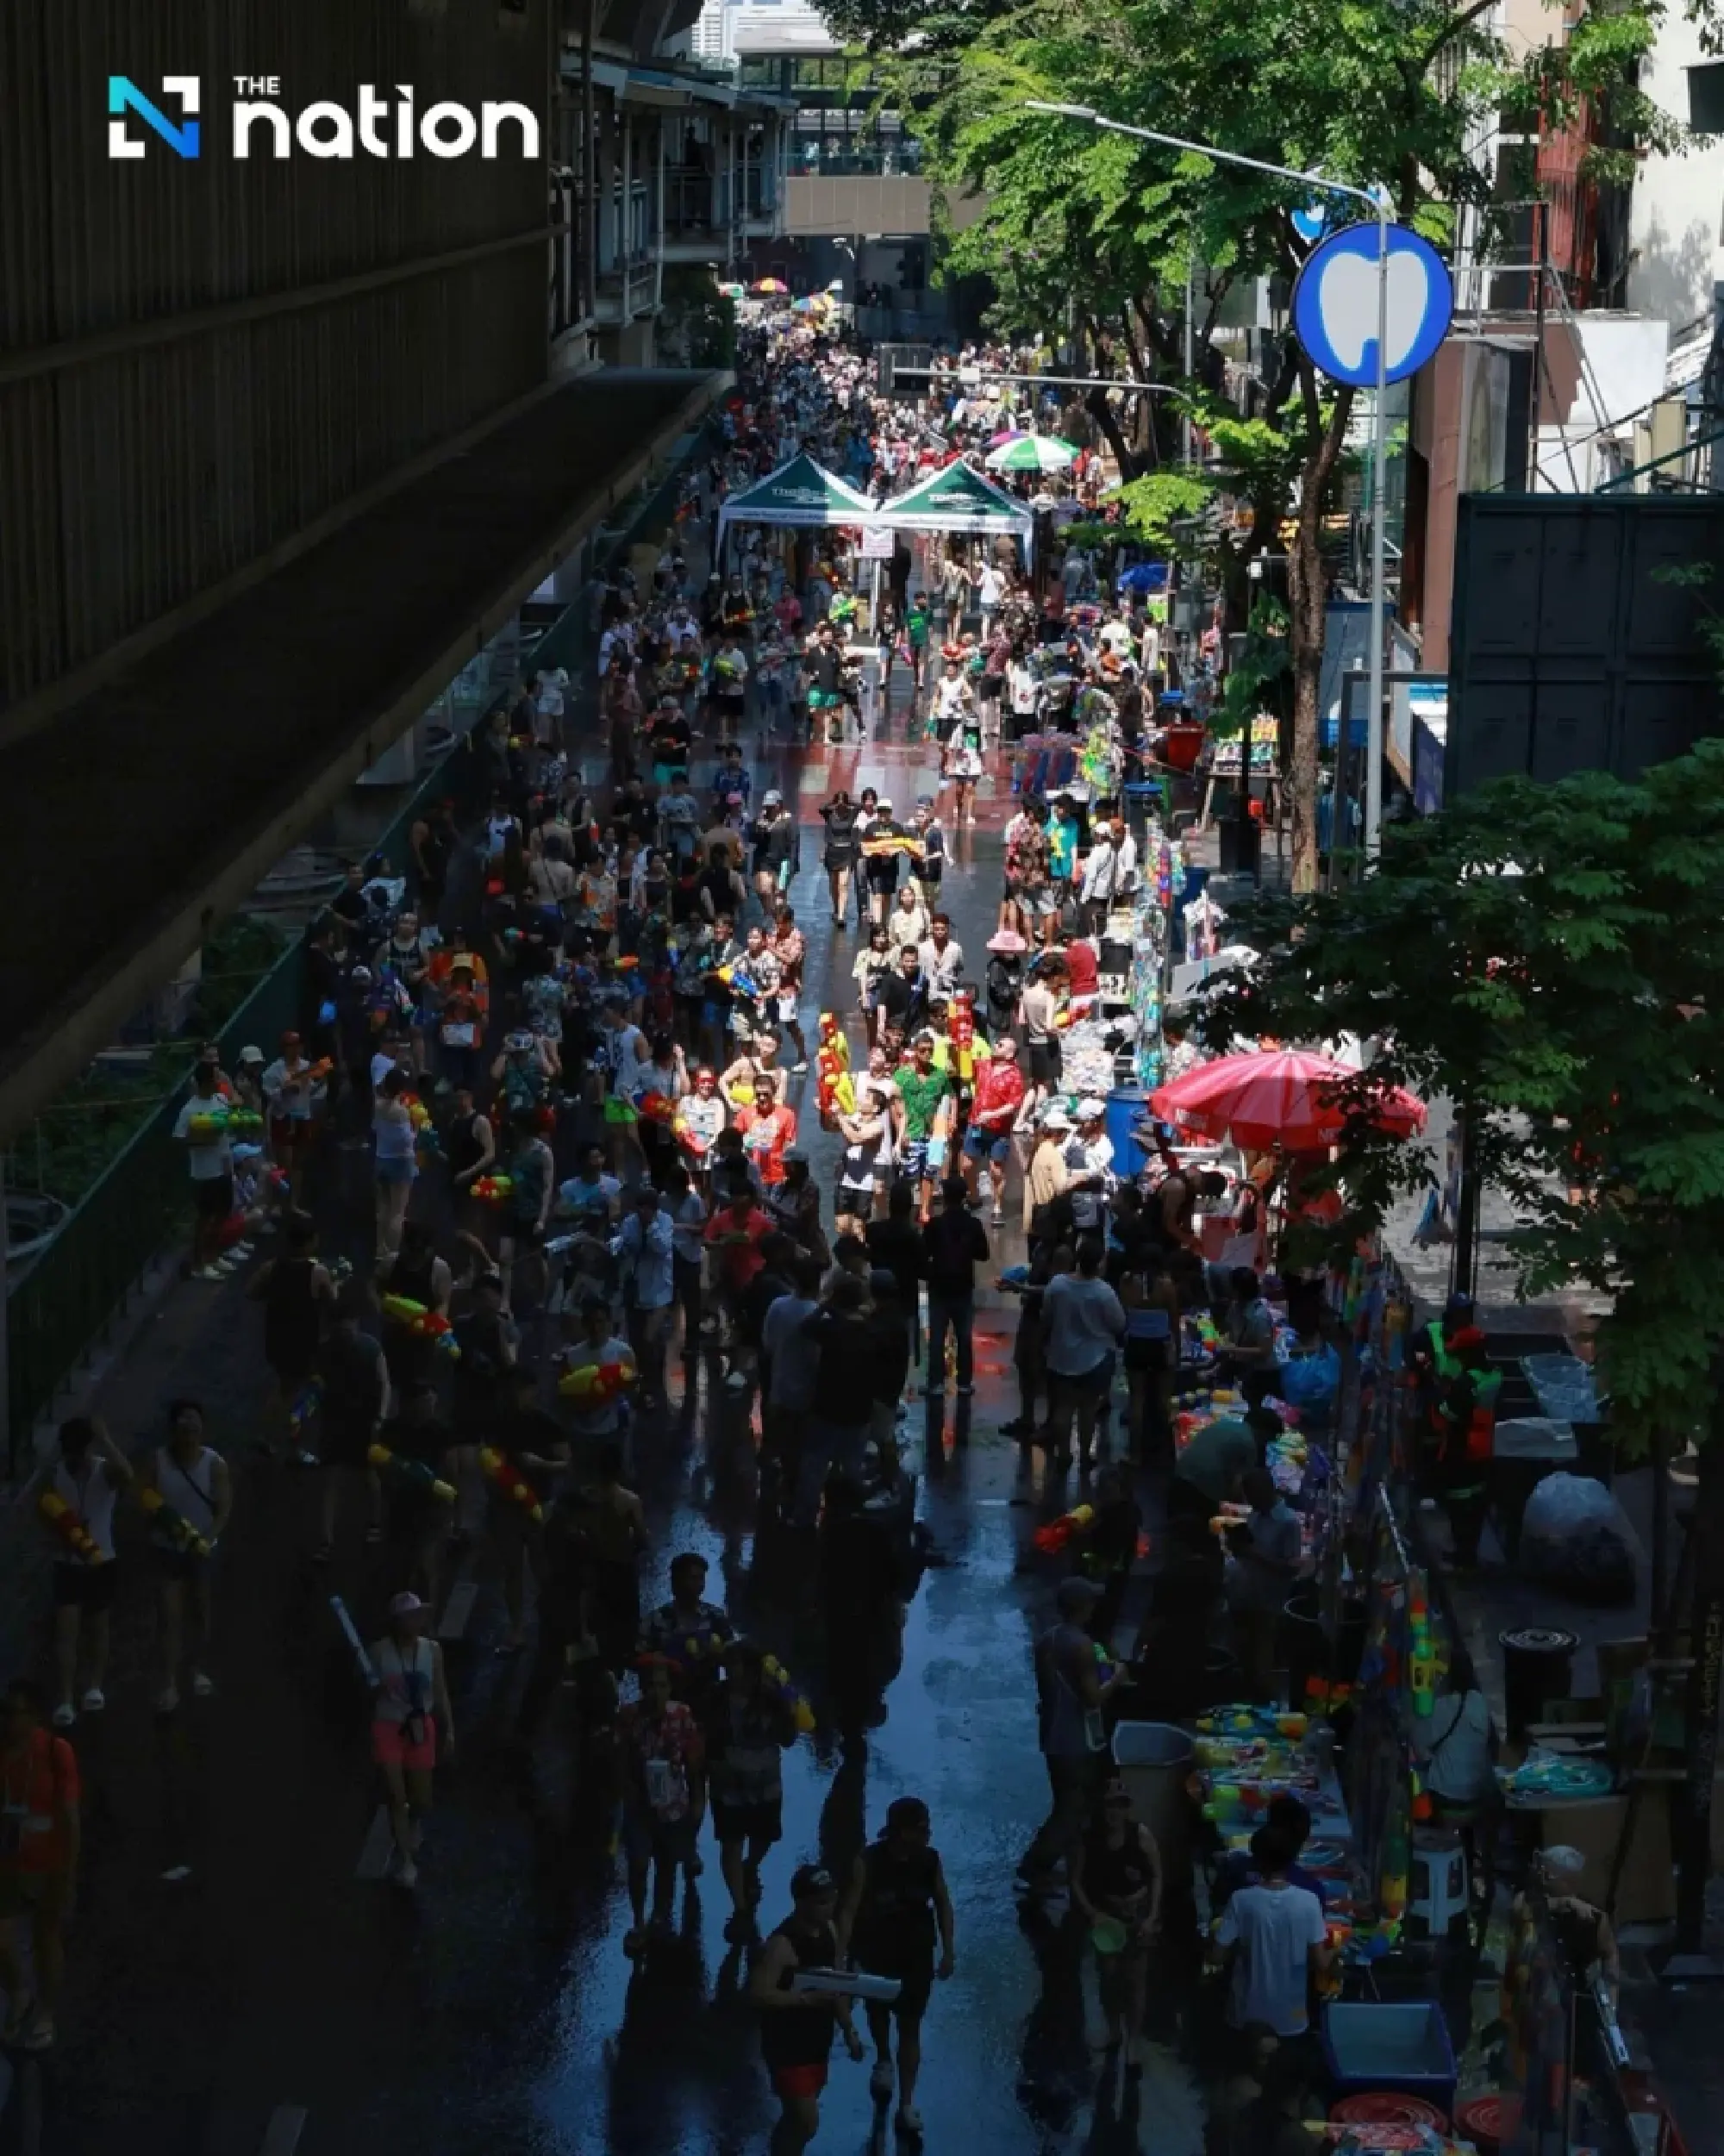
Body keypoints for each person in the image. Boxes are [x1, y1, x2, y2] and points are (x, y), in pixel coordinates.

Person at [835, 1797, 955, 2139]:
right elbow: (848, 1910)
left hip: (917, 1954)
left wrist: (948, 1951)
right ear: (901, 1831)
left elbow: (944, 1903)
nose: (928, 1832)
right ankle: (883, 2057)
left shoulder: (929, 1861)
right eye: (921, 1828)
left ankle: (906, 2102)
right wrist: (841, 1956)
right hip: (877, 1950)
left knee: (911, 2025)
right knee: (878, 2012)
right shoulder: (869, 1862)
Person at [751, 1865, 866, 2156]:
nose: (829, 1908)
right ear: (801, 1902)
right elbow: (759, 1992)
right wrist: (804, 2000)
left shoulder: (829, 1930)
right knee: (806, 2120)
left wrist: (849, 2029)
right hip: (787, 2045)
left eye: (832, 1900)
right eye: (822, 1902)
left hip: (818, 2040)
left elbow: (835, 1982)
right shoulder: (782, 1945)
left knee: (798, 2120)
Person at [1019, 1576, 1121, 1891]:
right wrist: (1117, 1676)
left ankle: (1074, 1862)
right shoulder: (1083, 1646)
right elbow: (1093, 1698)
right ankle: (1036, 1867)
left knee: (1067, 1800)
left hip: (1052, 1733)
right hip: (1076, 1739)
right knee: (1072, 1807)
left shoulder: (1048, 1639)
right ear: (1084, 1608)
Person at [29, 1415, 133, 1727]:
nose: (77, 1458)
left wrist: (105, 1439)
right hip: (68, 1564)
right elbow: (44, 1514)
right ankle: (65, 1698)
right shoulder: (57, 1474)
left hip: (102, 1560)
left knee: (97, 1628)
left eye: (82, 1450)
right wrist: (55, 1541)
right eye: (72, 1451)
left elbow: (127, 1475)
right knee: (67, 1630)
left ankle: (94, 1686)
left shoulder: (105, 1471)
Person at [0, 1678, 79, 2050]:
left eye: (14, 1713)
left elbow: (69, 1816)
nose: (7, 1721)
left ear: (32, 1716)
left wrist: (68, 1871)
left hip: (47, 1864)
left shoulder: (53, 1751)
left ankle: (45, 2011)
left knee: (46, 1940)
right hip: (7, 1862)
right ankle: (19, 1993)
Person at [704, 1640, 799, 1940]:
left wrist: (788, 1707)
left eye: (735, 1666)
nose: (729, 1672)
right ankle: (741, 1908)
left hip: (765, 1782)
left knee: (763, 1835)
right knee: (730, 1842)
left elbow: (788, 1738)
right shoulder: (717, 1696)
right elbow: (705, 1731)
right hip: (727, 1782)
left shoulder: (772, 1698)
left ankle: (751, 1866)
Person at [141, 1399, 232, 1711]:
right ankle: (168, 1683)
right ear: (173, 1428)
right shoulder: (158, 1461)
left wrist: (206, 1539)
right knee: (169, 1617)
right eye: (183, 1421)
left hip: (201, 1551)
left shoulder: (215, 1464)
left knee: (199, 1613)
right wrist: (161, 1522)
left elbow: (223, 1510)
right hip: (166, 1550)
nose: (189, 1428)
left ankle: (197, 1669)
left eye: (195, 1422)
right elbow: (145, 1497)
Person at [1071, 1781, 1163, 2070]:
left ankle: (1133, 2040)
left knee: (1136, 1982)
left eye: (1120, 1804)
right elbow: (1075, 1880)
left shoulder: (1141, 1835)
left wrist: (1151, 1916)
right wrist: (1092, 1913)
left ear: (1127, 1808)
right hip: (1106, 1916)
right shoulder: (1090, 1839)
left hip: (1136, 1914)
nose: (1114, 1811)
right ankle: (1113, 2031)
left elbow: (1157, 1876)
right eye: (1110, 1804)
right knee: (1108, 1977)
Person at [1210, 1824, 1332, 2040]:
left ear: (1256, 1860)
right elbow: (1321, 1962)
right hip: (1291, 2016)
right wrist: (1336, 1952)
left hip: (1246, 2015)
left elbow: (1216, 1956)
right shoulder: (1309, 1902)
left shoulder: (1241, 1900)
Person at [619, 1655, 706, 1954]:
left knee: (666, 1866)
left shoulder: (682, 1715)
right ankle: (639, 1920)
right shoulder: (630, 1717)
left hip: (672, 1805)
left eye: (662, 1685)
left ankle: (660, 1917)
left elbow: (694, 1765)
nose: (656, 1691)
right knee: (639, 1862)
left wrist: (696, 1803)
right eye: (651, 1685)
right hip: (639, 1806)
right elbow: (621, 1759)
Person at [368, 1590, 454, 1890]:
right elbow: (369, 1691)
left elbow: (441, 1692)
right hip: (389, 1727)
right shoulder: (379, 1651)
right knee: (396, 1796)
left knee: (422, 1798)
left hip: (421, 1727)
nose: (416, 1621)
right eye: (409, 1617)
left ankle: (413, 1825)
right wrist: (373, 1690)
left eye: (418, 1616)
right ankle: (406, 1861)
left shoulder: (433, 1650)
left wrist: (449, 1729)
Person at [315, 1284, 389, 1563]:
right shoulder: (324, 1351)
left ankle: (375, 1522)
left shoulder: (371, 1349)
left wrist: (379, 1417)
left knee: (369, 1475)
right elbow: (316, 1385)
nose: (345, 1330)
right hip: (335, 1421)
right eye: (340, 1326)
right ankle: (325, 1540)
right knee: (331, 1479)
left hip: (364, 1421)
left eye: (349, 1325)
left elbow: (384, 1383)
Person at [1041, 1234, 1126, 1472]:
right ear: (1099, 1263)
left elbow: (1046, 1317)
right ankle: (1086, 1454)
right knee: (1088, 1409)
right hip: (1096, 1360)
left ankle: (1064, 1454)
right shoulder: (1104, 1292)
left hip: (1061, 1356)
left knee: (1063, 1408)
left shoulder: (1057, 1285)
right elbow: (1119, 1324)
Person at [1226, 1466, 1302, 1703]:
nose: (1250, 1502)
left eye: (1253, 1497)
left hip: (1270, 1600)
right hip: (1248, 1593)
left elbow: (1290, 1567)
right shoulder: (1256, 1515)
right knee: (1245, 1653)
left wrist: (1251, 1553)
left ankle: (1266, 1705)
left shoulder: (1288, 1523)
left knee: (1263, 1661)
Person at [920, 1176, 990, 1397]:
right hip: (963, 1285)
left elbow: (924, 1253)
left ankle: (936, 1383)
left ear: (946, 1197)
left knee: (937, 1337)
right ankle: (965, 1382)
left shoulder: (935, 1225)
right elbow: (983, 1254)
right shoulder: (973, 1224)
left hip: (939, 1285)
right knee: (964, 1336)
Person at [173, 1053, 240, 1279]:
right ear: (204, 1083)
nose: (217, 1083)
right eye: (213, 1080)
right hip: (204, 1171)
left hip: (223, 1165)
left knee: (223, 1211)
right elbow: (180, 1138)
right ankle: (200, 1262)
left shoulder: (219, 1101)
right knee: (206, 1217)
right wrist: (202, 1141)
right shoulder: (190, 1109)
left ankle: (213, 1256)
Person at [962, 1036, 1024, 1225]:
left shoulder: (1014, 1075)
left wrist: (992, 1114)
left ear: (1010, 1054)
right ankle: (974, 1197)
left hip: (999, 1130)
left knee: (996, 1171)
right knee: (966, 1165)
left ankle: (997, 1207)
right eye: (997, 1043)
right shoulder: (984, 1065)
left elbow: (1014, 1105)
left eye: (1001, 1044)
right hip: (976, 1124)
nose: (995, 1045)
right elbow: (964, 1065)